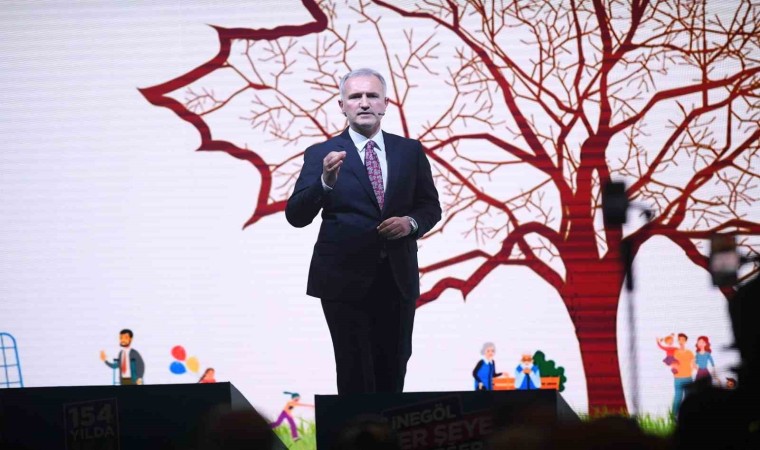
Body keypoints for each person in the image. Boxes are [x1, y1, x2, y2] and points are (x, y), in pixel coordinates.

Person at [285, 68, 441, 394]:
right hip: (342, 281)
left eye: (372, 96)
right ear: (342, 105)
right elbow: (296, 216)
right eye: (356, 96)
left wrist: (410, 223)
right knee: (354, 373)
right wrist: (325, 182)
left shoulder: (410, 151)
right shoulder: (321, 154)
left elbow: (429, 207)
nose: (365, 103)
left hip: (397, 278)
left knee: (393, 370)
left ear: (386, 104)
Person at [671, 333, 695, 416]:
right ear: (678, 341)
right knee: (678, 397)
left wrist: (692, 370)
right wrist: (675, 370)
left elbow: (693, 364)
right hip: (678, 378)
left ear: (685, 341)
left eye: (683, 340)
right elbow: (672, 365)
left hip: (688, 377)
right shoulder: (675, 352)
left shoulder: (689, 352)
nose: (681, 341)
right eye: (679, 340)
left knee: (688, 398)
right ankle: (674, 416)